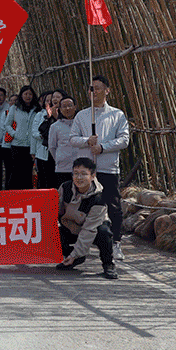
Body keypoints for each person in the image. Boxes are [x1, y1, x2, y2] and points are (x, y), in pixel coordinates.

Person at [70, 74, 130, 260]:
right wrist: (87, 141)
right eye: (91, 88)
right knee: (85, 206)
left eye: (97, 88)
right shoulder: (82, 115)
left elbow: (124, 140)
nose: (93, 91)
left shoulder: (116, 114)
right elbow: (72, 139)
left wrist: (103, 147)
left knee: (113, 205)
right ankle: (84, 243)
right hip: (86, 170)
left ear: (107, 90)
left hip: (108, 167)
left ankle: (116, 243)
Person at [55, 157, 118, 279]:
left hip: (92, 229)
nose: (79, 178)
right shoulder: (65, 188)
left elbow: (89, 230)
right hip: (70, 226)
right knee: (52, 234)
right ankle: (73, 258)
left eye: (84, 174)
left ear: (93, 175)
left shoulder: (100, 198)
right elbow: (54, 210)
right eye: (76, 173)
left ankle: (108, 264)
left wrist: (76, 253)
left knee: (104, 233)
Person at [5, 85, 38, 191]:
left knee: (28, 171)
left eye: (30, 94)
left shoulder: (36, 109)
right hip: (17, 145)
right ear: (21, 95)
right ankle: (13, 194)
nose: (28, 96)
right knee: (16, 171)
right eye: (25, 94)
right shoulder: (15, 108)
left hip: (31, 145)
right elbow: (7, 124)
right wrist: (15, 134)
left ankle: (26, 194)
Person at [49, 96, 80, 188]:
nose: (67, 108)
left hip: (80, 166)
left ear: (75, 107)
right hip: (63, 167)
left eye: (70, 105)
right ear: (60, 109)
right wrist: (60, 158)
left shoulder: (81, 124)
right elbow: (52, 147)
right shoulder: (55, 126)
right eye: (64, 106)